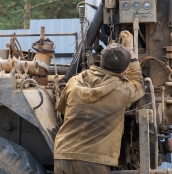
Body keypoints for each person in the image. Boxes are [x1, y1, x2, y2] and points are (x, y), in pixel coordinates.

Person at [54, 30, 144, 174]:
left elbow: (63, 111)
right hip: (94, 161)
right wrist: (130, 51)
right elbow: (139, 84)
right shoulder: (123, 90)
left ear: (101, 62)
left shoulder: (74, 81)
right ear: (126, 69)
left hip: (63, 156)